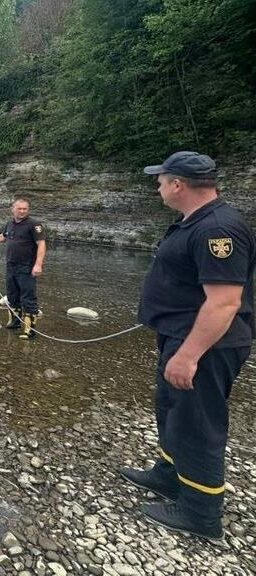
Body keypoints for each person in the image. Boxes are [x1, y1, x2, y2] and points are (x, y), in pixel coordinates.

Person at [120, 151, 255, 540]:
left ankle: (201, 512)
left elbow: (224, 302)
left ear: (178, 184)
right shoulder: (193, 220)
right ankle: (169, 476)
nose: (157, 186)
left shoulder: (218, 230)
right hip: (182, 336)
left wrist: (189, 356)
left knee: (197, 423)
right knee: (172, 411)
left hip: (206, 345)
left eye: (161, 180)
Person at [0, 198, 46, 339]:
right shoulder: (10, 224)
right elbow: (3, 237)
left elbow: (41, 244)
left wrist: (38, 264)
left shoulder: (34, 225)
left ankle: (30, 331)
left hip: (27, 267)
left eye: (25, 209)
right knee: (12, 295)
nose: (22, 211)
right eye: (19, 208)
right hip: (11, 266)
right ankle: (14, 323)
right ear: (12, 209)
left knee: (28, 297)